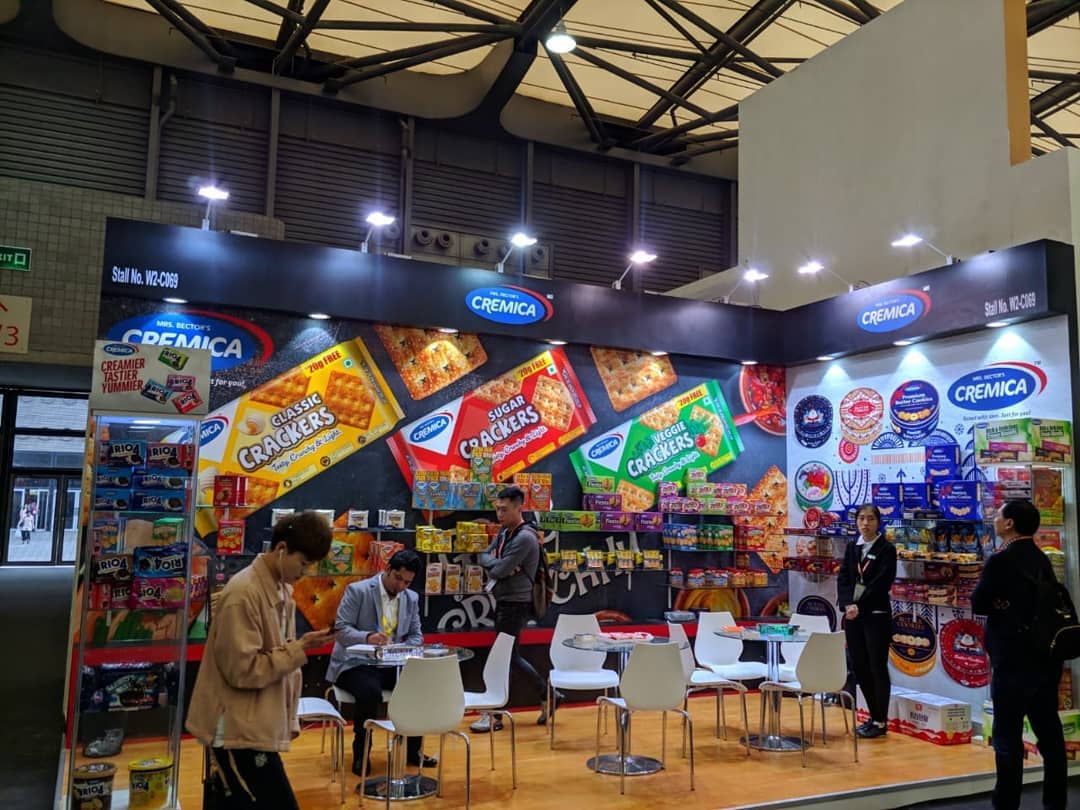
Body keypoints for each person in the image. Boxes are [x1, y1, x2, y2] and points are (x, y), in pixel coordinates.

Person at [186, 511, 335, 809]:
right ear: (281, 549)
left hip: (253, 725)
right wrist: (299, 649)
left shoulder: (279, 589)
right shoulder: (245, 593)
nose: (305, 572)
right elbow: (243, 670)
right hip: (235, 730)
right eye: (303, 563)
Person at [972, 499, 1066, 810]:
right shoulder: (1041, 559)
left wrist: (1001, 604)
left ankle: (1007, 803)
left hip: (1012, 659)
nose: (994, 519)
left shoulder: (1001, 560)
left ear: (1010, 523)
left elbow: (979, 602)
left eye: (999, 515)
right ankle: (1056, 801)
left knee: (1007, 738)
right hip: (1045, 657)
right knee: (1050, 734)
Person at [327, 549, 435, 777]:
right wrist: (367, 637)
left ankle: (414, 750)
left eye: (407, 582)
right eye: (398, 578)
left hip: (391, 663)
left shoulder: (411, 598)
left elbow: (416, 635)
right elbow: (341, 630)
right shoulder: (358, 590)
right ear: (387, 569)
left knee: (418, 686)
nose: (401, 586)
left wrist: (399, 649)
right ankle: (361, 753)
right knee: (369, 692)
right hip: (354, 662)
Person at [472, 484, 552, 732]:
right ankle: (547, 696)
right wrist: (496, 562)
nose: (499, 514)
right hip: (505, 601)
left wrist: (496, 564)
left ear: (519, 508)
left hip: (516, 604)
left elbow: (497, 569)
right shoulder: (506, 532)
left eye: (504, 510)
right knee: (507, 656)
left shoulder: (525, 538)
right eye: (498, 509)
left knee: (505, 657)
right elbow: (484, 556)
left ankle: (496, 714)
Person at [836, 502, 897, 739]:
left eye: (871, 519)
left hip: (875, 615)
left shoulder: (886, 549)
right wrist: (847, 604)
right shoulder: (853, 547)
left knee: (876, 666)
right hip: (853, 616)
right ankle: (873, 716)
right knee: (860, 666)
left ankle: (881, 721)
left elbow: (882, 582)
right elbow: (844, 578)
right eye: (861, 518)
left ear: (878, 522)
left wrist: (859, 605)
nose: (865, 523)